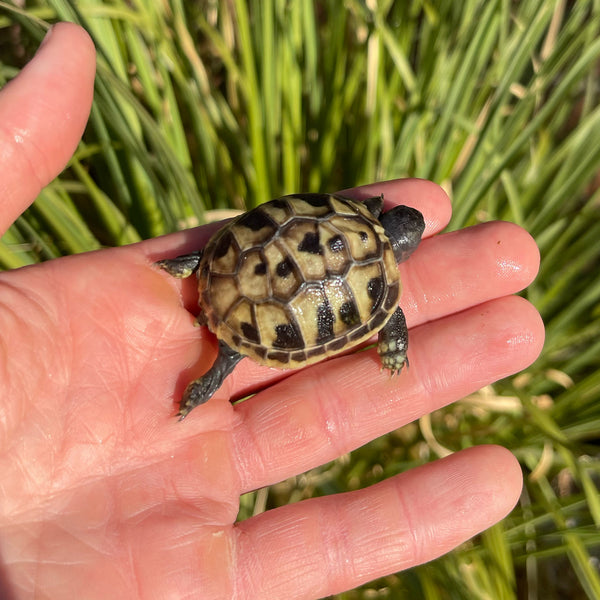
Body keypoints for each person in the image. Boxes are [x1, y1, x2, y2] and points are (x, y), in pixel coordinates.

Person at [0, 23, 544, 599]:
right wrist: (395, 345)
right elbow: (387, 316)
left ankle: (196, 272)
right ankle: (205, 380)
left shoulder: (348, 213)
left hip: (242, 260)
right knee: (229, 357)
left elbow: (299, 215)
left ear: (385, 217)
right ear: (403, 242)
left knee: (231, 327)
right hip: (267, 315)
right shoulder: (385, 295)